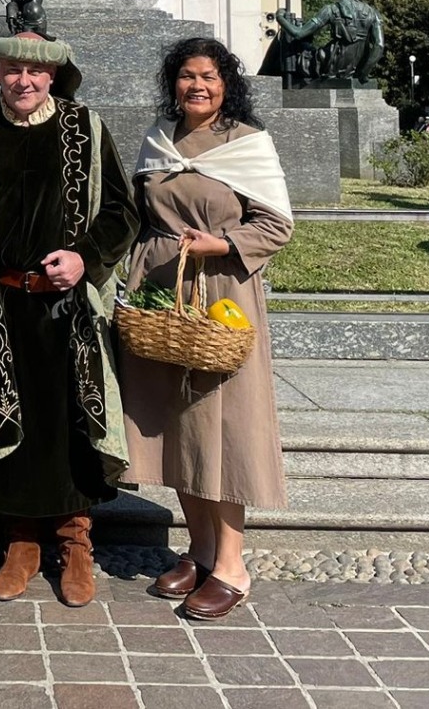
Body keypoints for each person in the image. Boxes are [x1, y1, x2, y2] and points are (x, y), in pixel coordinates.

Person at [0, 33, 139, 607]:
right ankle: (21, 540)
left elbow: (122, 211)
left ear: (53, 77)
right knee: (10, 418)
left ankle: (76, 540)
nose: (22, 81)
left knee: (68, 418)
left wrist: (84, 258)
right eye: (11, 69)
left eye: (34, 71)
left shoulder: (84, 128)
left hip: (66, 305)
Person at [120, 37, 293, 620]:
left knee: (223, 427)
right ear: (173, 83)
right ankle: (198, 549)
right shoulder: (159, 138)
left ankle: (232, 565)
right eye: (187, 75)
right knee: (178, 425)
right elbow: (139, 211)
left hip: (220, 293)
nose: (198, 86)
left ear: (226, 85)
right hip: (162, 293)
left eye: (210, 77)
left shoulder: (245, 142)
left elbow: (276, 225)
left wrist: (222, 244)